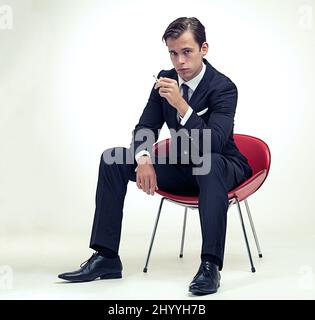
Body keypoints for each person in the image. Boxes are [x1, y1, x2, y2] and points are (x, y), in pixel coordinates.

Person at [58, 17, 252, 295]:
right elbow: (146, 126)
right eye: (173, 53)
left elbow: (214, 143)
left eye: (187, 52)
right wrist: (144, 159)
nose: (180, 61)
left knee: (207, 164)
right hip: (182, 166)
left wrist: (182, 106)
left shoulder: (223, 87)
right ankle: (106, 257)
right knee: (112, 158)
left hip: (222, 167)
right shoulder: (165, 78)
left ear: (204, 49)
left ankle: (210, 266)